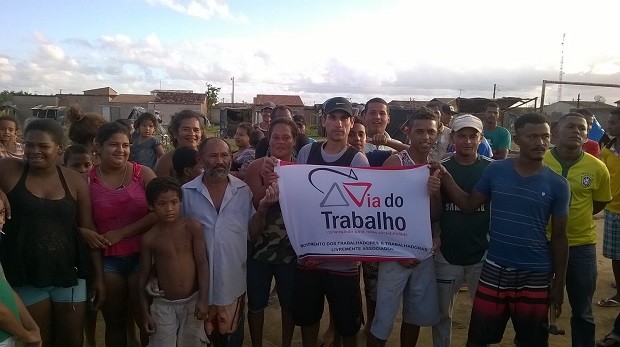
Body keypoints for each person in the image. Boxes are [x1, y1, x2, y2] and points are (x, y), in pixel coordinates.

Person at [435, 113, 570, 346]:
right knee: (478, 339)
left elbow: (559, 237)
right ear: (517, 139)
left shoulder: (558, 184)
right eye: (533, 136)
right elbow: (468, 205)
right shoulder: (496, 171)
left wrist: (559, 283)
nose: (540, 142)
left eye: (545, 136)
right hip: (495, 267)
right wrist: (445, 177)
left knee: (533, 340)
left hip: (536, 273)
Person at [0, 119, 104, 346]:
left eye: (42, 146)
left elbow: (88, 231)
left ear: (60, 148)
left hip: (69, 274)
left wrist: (98, 277)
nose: (34, 151)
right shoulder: (8, 169)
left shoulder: (75, 181)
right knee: (39, 340)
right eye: (29, 145)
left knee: (71, 341)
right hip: (24, 274)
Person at [292, 97, 369, 347]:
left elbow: (360, 213)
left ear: (351, 123)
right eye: (333, 117)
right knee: (308, 318)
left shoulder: (358, 161)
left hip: (343, 261)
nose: (338, 123)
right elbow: (299, 200)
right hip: (310, 255)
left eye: (343, 118)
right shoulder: (307, 152)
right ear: (324, 121)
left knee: (348, 325)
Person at [368, 107, 441, 347]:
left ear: (438, 133)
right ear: (408, 132)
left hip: (423, 252)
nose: (425, 137)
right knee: (384, 318)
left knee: (414, 316)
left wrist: (435, 194)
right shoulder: (395, 162)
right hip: (395, 254)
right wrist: (396, 251)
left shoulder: (434, 167)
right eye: (419, 131)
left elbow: (434, 215)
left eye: (430, 132)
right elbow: (379, 212)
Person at [543, 112, 611, 346]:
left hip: (581, 246)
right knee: (537, 307)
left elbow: (600, 202)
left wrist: (574, 217)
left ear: (587, 135)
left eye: (583, 128)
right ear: (556, 132)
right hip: (541, 244)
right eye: (571, 126)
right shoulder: (540, 162)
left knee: (583, 310)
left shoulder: (597, 167)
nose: (577, 131)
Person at [181, 137, 255, 346]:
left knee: (232, 339)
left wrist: (266, 206)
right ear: (200, 158)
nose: (219, 161)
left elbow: (252, 231)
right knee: (202, 340)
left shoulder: (243, 191)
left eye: (224, 155)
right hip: (197, 287)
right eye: (213, 155)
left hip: (233, 283)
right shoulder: (186, 193)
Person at [89, 122, 157, 347]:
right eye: (114, 145)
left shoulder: (143, 173)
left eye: (126, 145)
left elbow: (161, 211)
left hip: (142, 258)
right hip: (108, 262)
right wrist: (97, 276)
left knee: (146, 320)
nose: (121, 150)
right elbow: (88, 229)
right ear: (98, 146)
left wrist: (122, 232)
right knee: (115, 324)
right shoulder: (88, 181)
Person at [431, 114, 492, 347]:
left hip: (482, 253)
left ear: (481, 138)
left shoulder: (491, 169)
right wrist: (434, 193)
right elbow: (435, 213)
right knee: (441, 315)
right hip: (447, 254)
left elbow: (472, 206)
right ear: (452, 138)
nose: (467, 141)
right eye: (462, 135)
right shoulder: (440, 168)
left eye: (472, 136)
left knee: (483, 315)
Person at [245, 118, 300, 347]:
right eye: (276, 136)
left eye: (286, 137)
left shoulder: (301, 170)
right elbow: (257, 203)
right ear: (268, 139)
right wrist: (268, 183)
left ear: (294, 141)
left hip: (290, 250)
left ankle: (286, 343)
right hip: (259, 247)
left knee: (289, 303)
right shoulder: (255, 167)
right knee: (256, 303)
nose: (281, 141)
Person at [138, 177, 209, 346]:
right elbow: (142, 277)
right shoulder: (149, 238)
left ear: (180, 202)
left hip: (193, 300)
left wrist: (203, 299)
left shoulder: (192, 228)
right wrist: (144, 312)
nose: (169, 209)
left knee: (193, 342)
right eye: (162, 204)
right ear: (151, 206)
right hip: (163, 305)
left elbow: (202, 263)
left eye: (174, 202)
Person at [347, 117, 390, 332]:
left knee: (372, 287)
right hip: (346, 233)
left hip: (374, 234)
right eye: (352, 134)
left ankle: (371, 326)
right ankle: (341, 326)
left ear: (367, 138)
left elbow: (412, 153)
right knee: (349, 288)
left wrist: (389, 142)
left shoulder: (379, 157)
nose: (356, 138)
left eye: (361, 134)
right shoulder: (341, 159)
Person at [62, 143, 99, 347]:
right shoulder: (58, 188)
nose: (83, 170)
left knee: (92, 305)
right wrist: (81, 232)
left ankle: (92, 340)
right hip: (67, 257)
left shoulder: (95, 188)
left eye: (87, 165)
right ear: (64, 164)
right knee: (73, 308)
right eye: (76, 165)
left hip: (91, 255)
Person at [0, 196, 42, 347]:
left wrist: (33, 327)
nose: (1, 221)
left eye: (1, 212)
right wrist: (26, 335)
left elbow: (7, 289)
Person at [599, 108, 620, 308]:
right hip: (614, 209)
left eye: (613, 122)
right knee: (616, 254)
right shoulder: (607, 151)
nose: (609, 125)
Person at [154, 110, 206, 178]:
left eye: (196, 130)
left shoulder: (208, 156)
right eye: (186, 129)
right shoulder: (166, 161)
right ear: (175, 133)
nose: (192, 134)